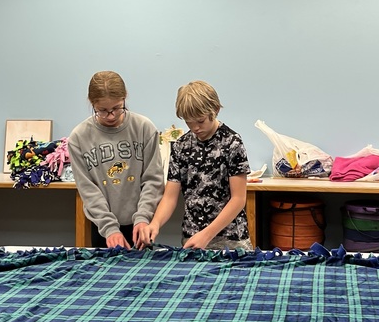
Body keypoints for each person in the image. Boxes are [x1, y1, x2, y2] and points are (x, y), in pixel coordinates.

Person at [145, 80, 252, 250]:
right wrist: (155, 223)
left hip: (230, 241)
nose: (195, 128)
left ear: (215, 111)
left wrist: (207, 234)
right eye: (189, 122)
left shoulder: (232, 143)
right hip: (192, 238)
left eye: (200, 121)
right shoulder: (181, 146)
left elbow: (238, 199)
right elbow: (170, 197)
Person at [68, 71, 165, 249]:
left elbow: (153, 179)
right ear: (92, 104)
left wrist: (143, 217)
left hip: (141, 226)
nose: (111, 115)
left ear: (125, 98)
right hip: (103, 227)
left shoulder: (144, 128)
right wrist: (110, 228)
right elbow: (88, 189)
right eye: (103, 111)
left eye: (117, 108)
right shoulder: (79, 138)